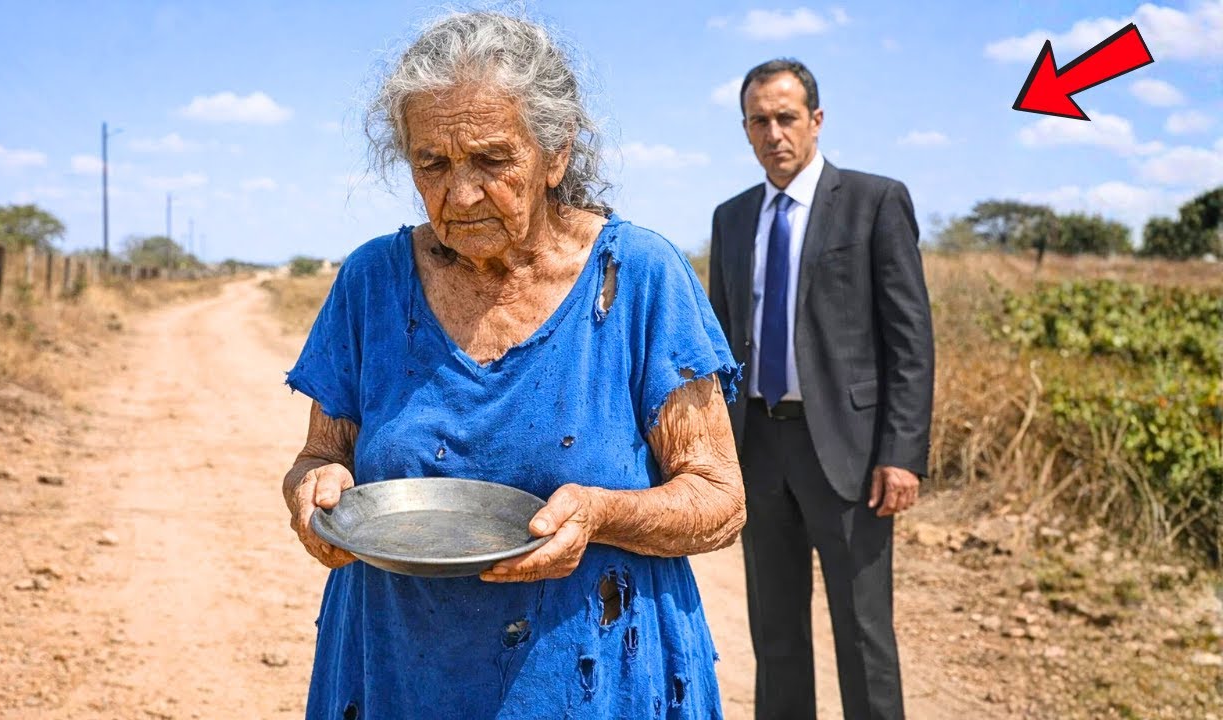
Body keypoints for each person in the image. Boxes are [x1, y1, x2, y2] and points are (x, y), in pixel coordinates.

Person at [281, 12, 745, 719]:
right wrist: (314, 489)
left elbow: (719, 501)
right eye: (431, 163)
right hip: (397, 671)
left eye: (493, 161)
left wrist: (599, 514)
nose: (460, 195)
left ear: (555, 153)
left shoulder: (639, 276)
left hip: (589, 677)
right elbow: (321, 454)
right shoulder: (372, 282)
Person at [708, 59, 935, 720]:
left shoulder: (874, 201)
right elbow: (722, 344)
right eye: (759, 120)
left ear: (816, 120)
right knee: (775, 636)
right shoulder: (731, 218)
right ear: (745, 129)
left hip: (851, 454)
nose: (774, 132)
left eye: (786, 117)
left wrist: (903, 452)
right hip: (760, 448)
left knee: (864, 636)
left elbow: (910, 340)